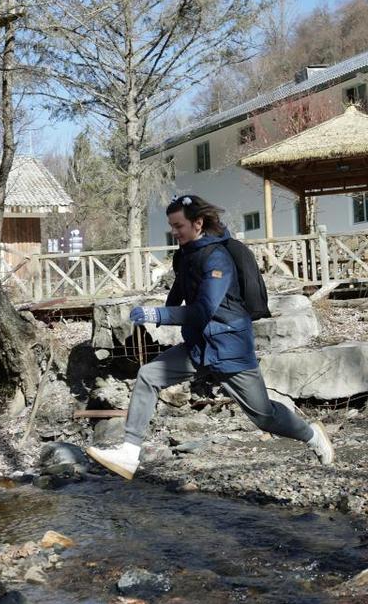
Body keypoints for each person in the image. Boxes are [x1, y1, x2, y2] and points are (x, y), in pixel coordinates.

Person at [86, 194, 334, 479]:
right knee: (148, 375)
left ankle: (312, 435)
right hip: (199, 346)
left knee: (264, 416)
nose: (174, 232)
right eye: (171, 226)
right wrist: (154, 311)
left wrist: (158, 316)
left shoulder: (218, 258)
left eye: (179, 225)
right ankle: (129, 455)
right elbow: (179, 291)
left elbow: (203, 310)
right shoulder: (186, 254)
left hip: (230, 347)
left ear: (198, 222)